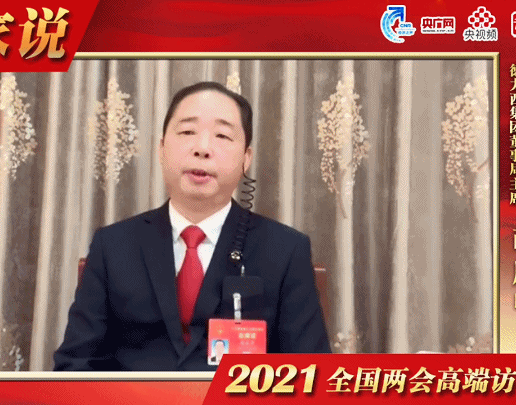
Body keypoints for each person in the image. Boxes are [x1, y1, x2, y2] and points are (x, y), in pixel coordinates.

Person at [54, 81, 330, 371]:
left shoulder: (285, 250)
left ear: (246, 158)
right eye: (187, 132)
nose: (202, 148)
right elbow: (75, 365)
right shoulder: (113, 246)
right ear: (162, 148)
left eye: (222, 135)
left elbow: (311, 373)